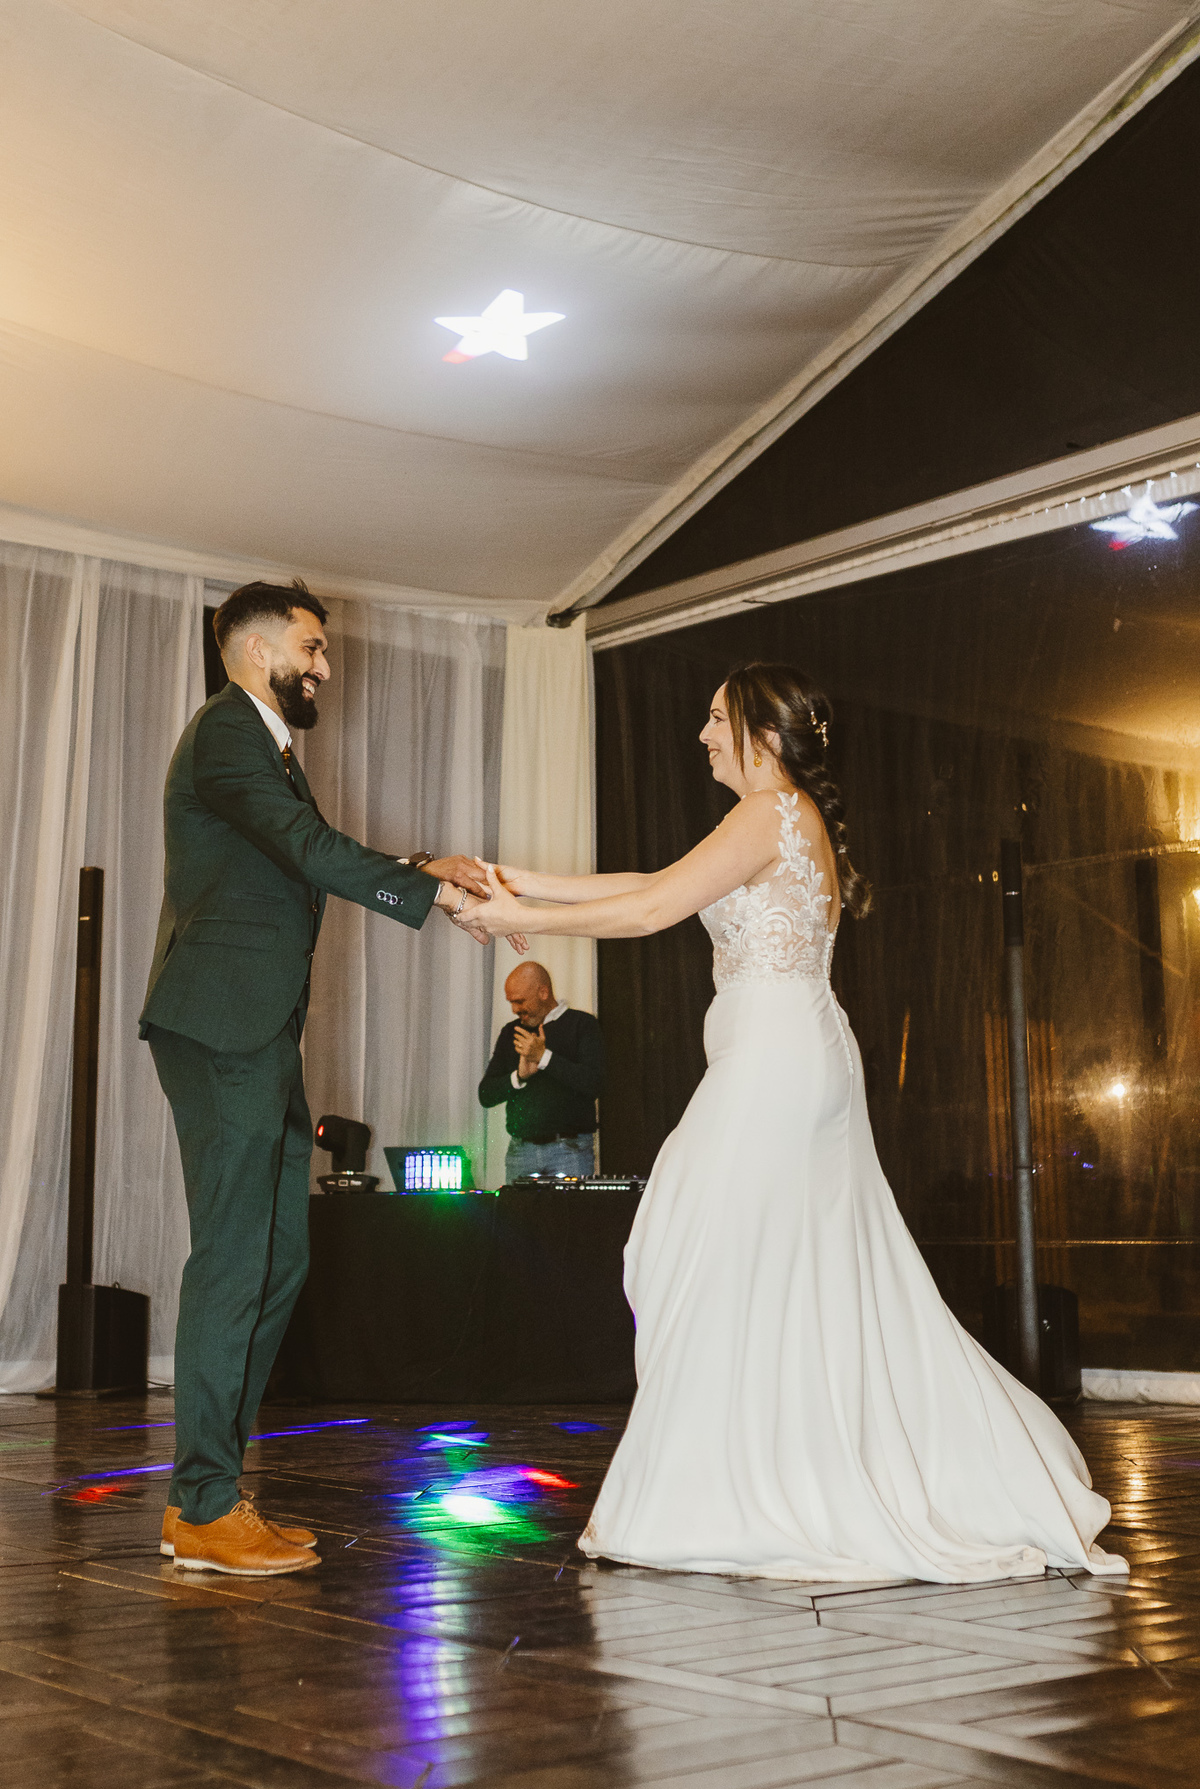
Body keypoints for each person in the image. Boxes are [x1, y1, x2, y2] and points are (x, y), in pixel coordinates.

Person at [464, 662, 1126, 1583]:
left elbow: (654, 908)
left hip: (777, 1061)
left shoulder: (770, 811)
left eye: (716, 719)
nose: (702, 736)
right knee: (779, 1266)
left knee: (693, 1237)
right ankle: (771, 1471)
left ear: (763, 737)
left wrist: (514, 913)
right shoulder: (775, 816)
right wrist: (516, 884)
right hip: (787, 1054)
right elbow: (654, 879)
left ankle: (732, 1486)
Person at [140, 579, 521, 1578]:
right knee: (237, 1260)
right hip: (223, 1025)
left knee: (280, 1260)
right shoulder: (228, 733)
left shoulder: (263, 750)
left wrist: (423, 866)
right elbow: (309, 849)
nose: (324, 666)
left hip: (255, 1029)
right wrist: (433, 893)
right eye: (311, 647)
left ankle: (206, 1497)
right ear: (254, 647)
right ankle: (204, 1506)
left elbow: (301, 852)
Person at [479, 962, 604, 1181]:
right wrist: (519, 1077)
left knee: (570, 1206)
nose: (514, 1009)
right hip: (520, 1151)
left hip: (570, 1150)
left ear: (543, 992)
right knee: (518, 1206)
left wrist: (545, 1058)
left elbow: (594, 1084)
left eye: (520, 1001)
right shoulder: (511, 1032)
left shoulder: (582, 1025)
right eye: (511, 1002)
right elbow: (486, 1095)